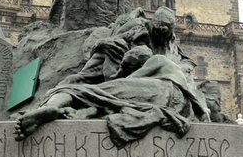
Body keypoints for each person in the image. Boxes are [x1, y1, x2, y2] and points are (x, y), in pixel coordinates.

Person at [15, 46, 209, 146]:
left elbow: (127, 82)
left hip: (162, 91)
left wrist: (112, 80)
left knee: (86, 91)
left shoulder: (157, 60)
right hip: (179, 108)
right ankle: (82, 112)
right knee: (109, 104)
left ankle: (50, 106)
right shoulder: (181, 77)